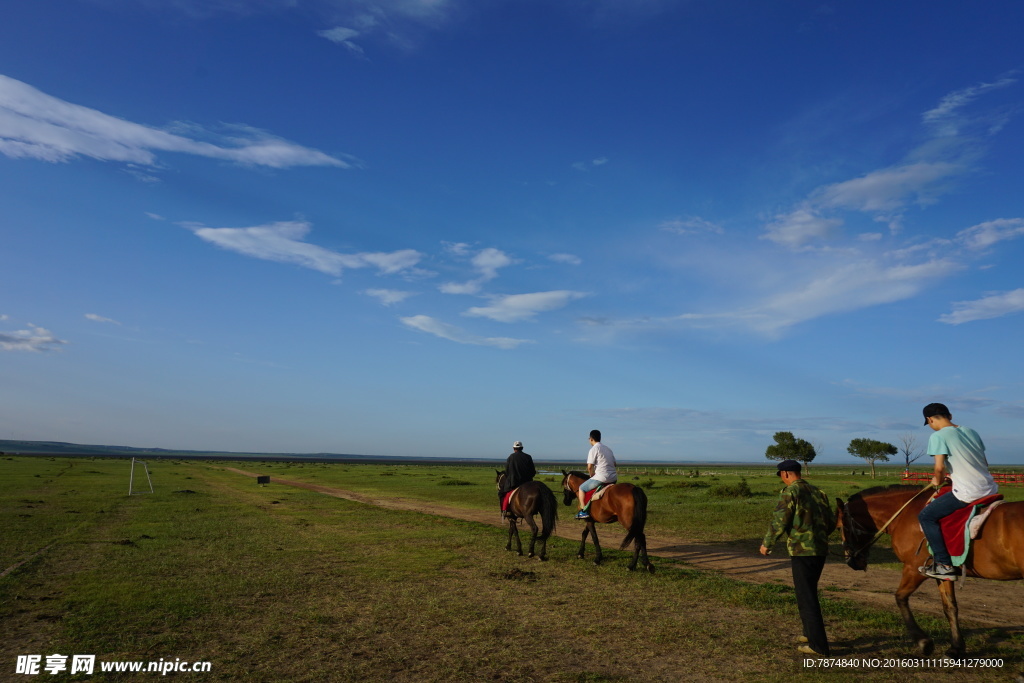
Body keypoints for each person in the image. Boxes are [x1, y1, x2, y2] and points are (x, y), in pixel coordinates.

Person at [759, 459, 835, 656]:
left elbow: (780, 519)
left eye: (781, 476)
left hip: (802, 550)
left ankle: (818, 646)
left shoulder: (791, 492)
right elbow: (831, 521)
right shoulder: (819, 492)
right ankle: (809, 634)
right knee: (807, 592)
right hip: (820, 549)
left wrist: (768, 543)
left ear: (785, 474)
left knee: (806, 596)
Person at [917, 402, 998, 581]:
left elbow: (939, 469)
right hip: (990, 487)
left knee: (926, 516)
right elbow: (984, 463)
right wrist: (953, 476)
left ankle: (944, 565)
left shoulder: (938, 437)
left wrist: (937, 481)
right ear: (950, 416)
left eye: (929, 423)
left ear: (929, 420)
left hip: (968, 492)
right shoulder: (971, 432)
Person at [576, 430, 617, 519]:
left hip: (601, 477)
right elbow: (614, 464)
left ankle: (583, 511)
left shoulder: (594, 449)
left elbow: (590, 466)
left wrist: (591, 475)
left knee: (581, 488)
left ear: (591, 439)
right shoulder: (608, 449)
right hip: (613, 478)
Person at [498, 441, 536, 515]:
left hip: (514, 483)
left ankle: (505, 510)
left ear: (514, 448)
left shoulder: (511, 457)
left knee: (504, 494)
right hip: (527, 483)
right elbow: (533, 472)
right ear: (522, 448)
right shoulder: (528, 457)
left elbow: (507, 472)